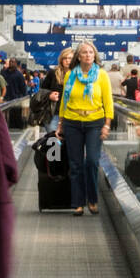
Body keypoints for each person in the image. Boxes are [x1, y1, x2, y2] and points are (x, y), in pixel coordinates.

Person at [57, 41, 114, 217]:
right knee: (75, 165)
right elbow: (64, 101)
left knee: (91, 161)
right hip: (72, 122)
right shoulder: (70, 76)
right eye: (84, 52)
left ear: (94, 56)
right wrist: (60, 123)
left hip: (95, 122)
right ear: (78, 56)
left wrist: (107, 124)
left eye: (91, 52)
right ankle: (77, 203)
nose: (88, 55)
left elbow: (108, 101)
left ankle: (92, 199)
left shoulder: (102, 75)